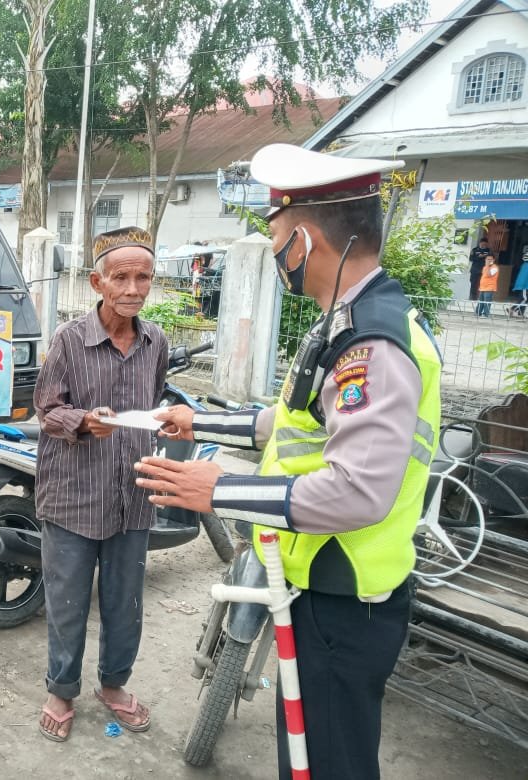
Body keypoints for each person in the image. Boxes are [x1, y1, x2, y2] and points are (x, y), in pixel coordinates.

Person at [135, 143, 442, 780]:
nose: (275, 252)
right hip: (318, 582)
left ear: (303, 239)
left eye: (275, 235)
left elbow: (356, 493)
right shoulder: (344, 321)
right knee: (305, 754)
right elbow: (293, 421)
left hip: (347, 596)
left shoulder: (373, 343)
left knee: (327, 762)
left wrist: (219, 490)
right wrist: (200, 420)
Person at [33, 226, 168, 743]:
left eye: (143, 278)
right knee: (67, 602)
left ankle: (113, 685)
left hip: (132, 496)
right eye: (121, 277)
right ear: (97, 281)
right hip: (72, 495)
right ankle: (61, 689)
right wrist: (87, 422)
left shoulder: (157, 341)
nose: (133, 289)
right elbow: (47, 410)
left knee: (125, 602)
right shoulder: (69, 339)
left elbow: (151, 404)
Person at [468, 236, 490, 301]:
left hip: (484, 270)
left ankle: (481, 298)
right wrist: (479, 257)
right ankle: (473, 297)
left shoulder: (488, 250)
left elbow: (492, 258)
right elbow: (471, 258)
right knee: (473, 283)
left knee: (483, 283)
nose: (483, 246)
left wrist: (485, 257)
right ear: (480, 243)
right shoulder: (475, 250)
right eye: (482, 244)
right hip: (475, 269)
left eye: (485, 245)